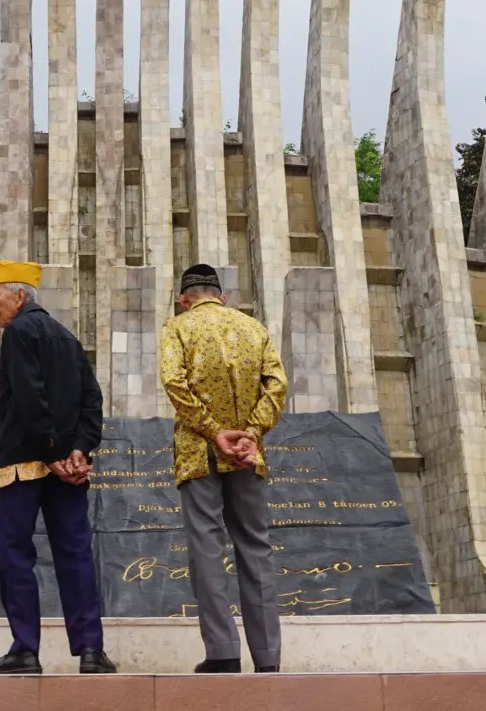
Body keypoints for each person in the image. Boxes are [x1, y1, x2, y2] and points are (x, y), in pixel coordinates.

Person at [0, 260, 115, 675]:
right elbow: (92, 400)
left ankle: (25, 648)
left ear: (21, 296)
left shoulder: (20, 331)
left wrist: (51, 452)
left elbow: (27, 396)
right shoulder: (68, 338)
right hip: (68, 469)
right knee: (74, 554)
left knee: (16, 554)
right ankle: (91, 650)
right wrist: (80, 451)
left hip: (26, 462)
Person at [158, 263, 288, 673]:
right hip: (249, 454)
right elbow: (277, 385)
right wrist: (250, 433)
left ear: (184, 298)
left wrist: (215, 432)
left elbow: (173, 382)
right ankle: (267, 658)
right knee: (255, 547)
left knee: (207, 548)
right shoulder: (255, 329)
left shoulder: (178, 329)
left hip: (200, 451)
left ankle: (223, 653)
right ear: (222, 295)